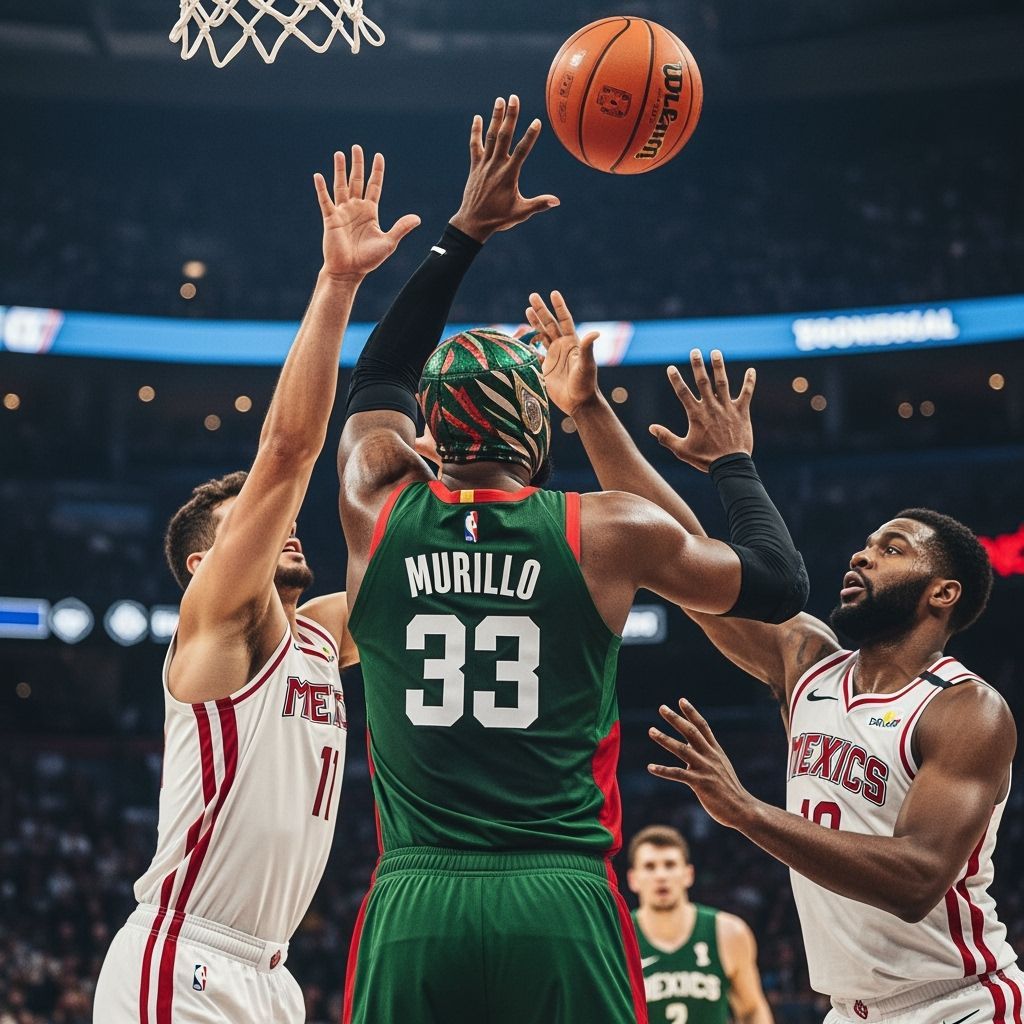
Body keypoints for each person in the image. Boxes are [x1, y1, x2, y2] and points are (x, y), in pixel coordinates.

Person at [335, 94, 809, 1024]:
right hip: (557, 894)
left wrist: (464, 232)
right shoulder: (606, 529)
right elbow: (779, 581)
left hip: (415, 894)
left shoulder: (375, 505)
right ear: (533, 424)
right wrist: (730, 461)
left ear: (433, 432)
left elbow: (381, 373)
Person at [525, 291, 1020, 1024]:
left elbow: (917, 878)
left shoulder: (966, 709)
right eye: (865, 544)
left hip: (961, 1003)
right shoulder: (807, 661)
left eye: (891, 549)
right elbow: (679, 546)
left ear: (942, 593)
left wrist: (745, 811)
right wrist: (588, 409)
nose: (862, 554)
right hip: (849, 1010)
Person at [93, 146, 420, 1024]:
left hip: (271, 972)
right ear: (206, 567)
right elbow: (287, 454)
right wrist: (338, 285)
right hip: (183, 958)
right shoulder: (219, 623)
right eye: (255, 526)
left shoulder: (320, 632)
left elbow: (418, 580)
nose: (287, 529)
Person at [628, 825, 774, 1024]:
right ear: (633, 879)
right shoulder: (616, 937)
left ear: (688, 874)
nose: (661, 876)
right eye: (649, 867)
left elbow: (752, 1010)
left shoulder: (729, 933)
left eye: (670, 865)